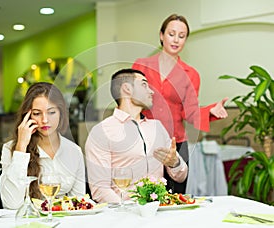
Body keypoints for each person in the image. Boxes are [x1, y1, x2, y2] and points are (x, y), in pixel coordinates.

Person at [132, 14, 228, 194]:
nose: (176, 39)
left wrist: (210, 111)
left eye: (181, 36)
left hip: (175, 145)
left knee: (174, 199)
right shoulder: (141, 66)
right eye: (171, 34)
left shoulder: (191, 74)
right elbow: (131, 101)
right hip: (144, 142)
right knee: (142, 196)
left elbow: (190, 113)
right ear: (161, 35)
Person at [85, 68, 188, 203]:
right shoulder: (101, 132)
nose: (151, 91)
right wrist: (128, 212)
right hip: (123, 216)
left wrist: (175, 163)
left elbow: (181, 176)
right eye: (144, 85)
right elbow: (100, 189)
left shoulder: (157, 127)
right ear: (127, 89)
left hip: (159, 211)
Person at [0, 82, 86, 209]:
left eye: (51, 112)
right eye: (37, 113)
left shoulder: (74, 151)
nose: (45, 120)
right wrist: (21, 147)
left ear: (61, 113)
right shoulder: (11, 149)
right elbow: (11, 204)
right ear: (27, 116)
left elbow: (79, 204)